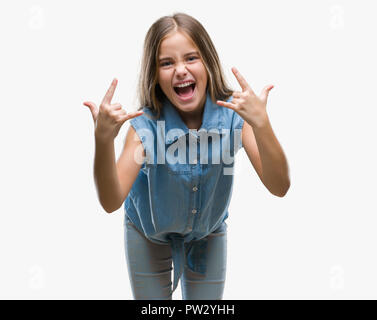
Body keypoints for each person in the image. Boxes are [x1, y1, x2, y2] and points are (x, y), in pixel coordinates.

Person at [83, 12, 290, 300]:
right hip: (147, 233)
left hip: (207, 232)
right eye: (167, 63)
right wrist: (103, 140)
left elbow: (279, 186)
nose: (180, 70)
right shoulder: (144, 127)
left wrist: (262, 125)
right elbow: (110, 201)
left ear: (208, 63)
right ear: (155, 75)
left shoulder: (234, 116)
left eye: (191, 58)